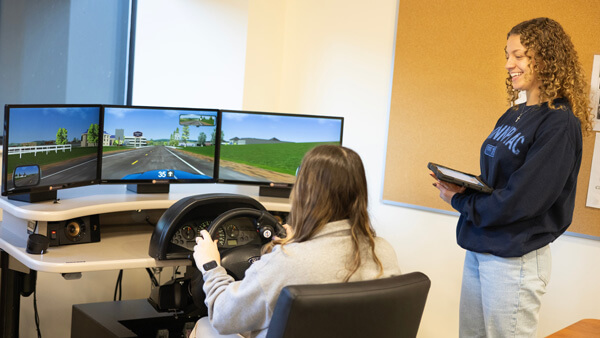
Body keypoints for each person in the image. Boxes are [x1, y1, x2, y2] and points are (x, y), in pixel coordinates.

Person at [432, 17, 592, 337]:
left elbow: (521, 201)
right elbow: (497, 181)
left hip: (514, 260)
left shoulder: (560, 124)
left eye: (518, 55)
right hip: (480, 246)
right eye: (507, 55)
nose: (509, 64)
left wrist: (461, 199)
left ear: (546, 57)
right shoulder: (514, 113)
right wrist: (466, 185)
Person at [190, 145, 401, 338]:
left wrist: (210, 265)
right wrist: (299, 241)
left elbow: (222, 316)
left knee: (205, 325)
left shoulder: (287, 261)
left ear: (304, 192)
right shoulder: (383, 251)